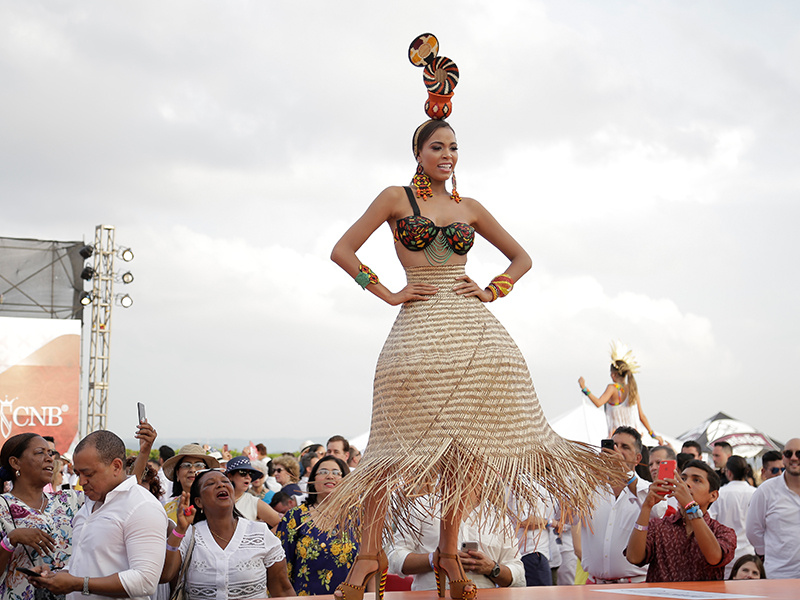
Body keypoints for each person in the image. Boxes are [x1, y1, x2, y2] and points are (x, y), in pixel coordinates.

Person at [321, 33, 620, 600]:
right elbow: (342, 250)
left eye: (454, 148)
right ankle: (367, 555)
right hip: (415, 327)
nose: (448, 156)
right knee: (391, 449)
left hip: (472, 328)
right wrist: (386, 292)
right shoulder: (393, 198)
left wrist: (494, 289)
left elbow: (523, 257)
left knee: (465, 452)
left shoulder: (469, 208)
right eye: (438, 148)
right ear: (419, 154)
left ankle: (450, 554)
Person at [31, 430, 168, 599]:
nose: (81, 482)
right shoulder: (88, 505)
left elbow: (145, 581)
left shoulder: (142, 506)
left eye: (88, 474)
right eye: (78, 474)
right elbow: (84, 566)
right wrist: (55, 577)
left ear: (116, 466)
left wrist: (78, 583)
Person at [161, 469, 296, 599]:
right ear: (199, 502)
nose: (220, 485)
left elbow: (282, 590)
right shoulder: (189, 536)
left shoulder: (260, 533)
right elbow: (165, 575)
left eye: (225, 481)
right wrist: (180, 529)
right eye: (210, 483)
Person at [0, 434, 83, 600]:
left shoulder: (70, 500)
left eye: (50, 453)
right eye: (40, 453)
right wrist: (11, 540)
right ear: (15, 462)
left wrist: (144, 451)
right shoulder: (2, 507)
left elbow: (119, 498)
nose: (49, 459)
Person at [386, 493, 525, 592]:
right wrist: (435, 559)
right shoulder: (421, 507)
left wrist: (492, 568)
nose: (468, 467)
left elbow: (518, 575)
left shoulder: (497, 517)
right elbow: (394, 557)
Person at [626, 459, 736, 582]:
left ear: (713, 496)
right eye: (682, 479)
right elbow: (634, 557)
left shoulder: (722, 532)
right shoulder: (658, 526)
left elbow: (714, 557)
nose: (686, 484)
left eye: (696, 480)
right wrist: (646, 507)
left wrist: (691, 507)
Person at [581, 427, 666, 584]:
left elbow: (658, 512)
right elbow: (562, 516)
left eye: (624, 447)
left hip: (635, 586)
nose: (616, 451)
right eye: (613, 445)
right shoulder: (589, 489)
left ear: (637, 458)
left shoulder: (649, 489)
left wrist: (623, 471)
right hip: (594, 586)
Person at [276, 456, 358, 595]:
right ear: (313, 480)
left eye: (337, 473)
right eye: (324, 472)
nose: (330, 476)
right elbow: (281, 569)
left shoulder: (358, 517)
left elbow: (372, 564)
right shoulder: (295, 517)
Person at [578, 341, 663, 444]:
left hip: (617, 439)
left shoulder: (612, 388)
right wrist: (653, 435)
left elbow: (598, 403)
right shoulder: (632, 390)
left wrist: (584, 388)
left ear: (613, 375)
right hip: (634, 439)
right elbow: (642, 416)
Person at [746, 437, 800, 579]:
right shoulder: (766, 491)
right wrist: (771, 553)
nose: (794, 458)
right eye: (789, 454)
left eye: (799, 454)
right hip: (779, 575)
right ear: (783, 458)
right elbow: (753, 531)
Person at [708, 455, 755, 577]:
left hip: (726, 552)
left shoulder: (720, 493)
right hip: (748, 553)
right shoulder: (755, 493)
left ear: (728, 472)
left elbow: (709, 521)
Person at [160, 444, 220, 525]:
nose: (192, 470)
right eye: (186, 465)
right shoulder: (167, 510)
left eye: (199, 465)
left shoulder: (219, 505)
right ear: (177, 474)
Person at [224, 456, 281, 525]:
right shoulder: (216, 499)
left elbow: (280, 524)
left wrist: (264, 535)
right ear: (230, 476)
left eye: (250, 474)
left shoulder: (254, 502)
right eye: (243, 472)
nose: (248, 477)